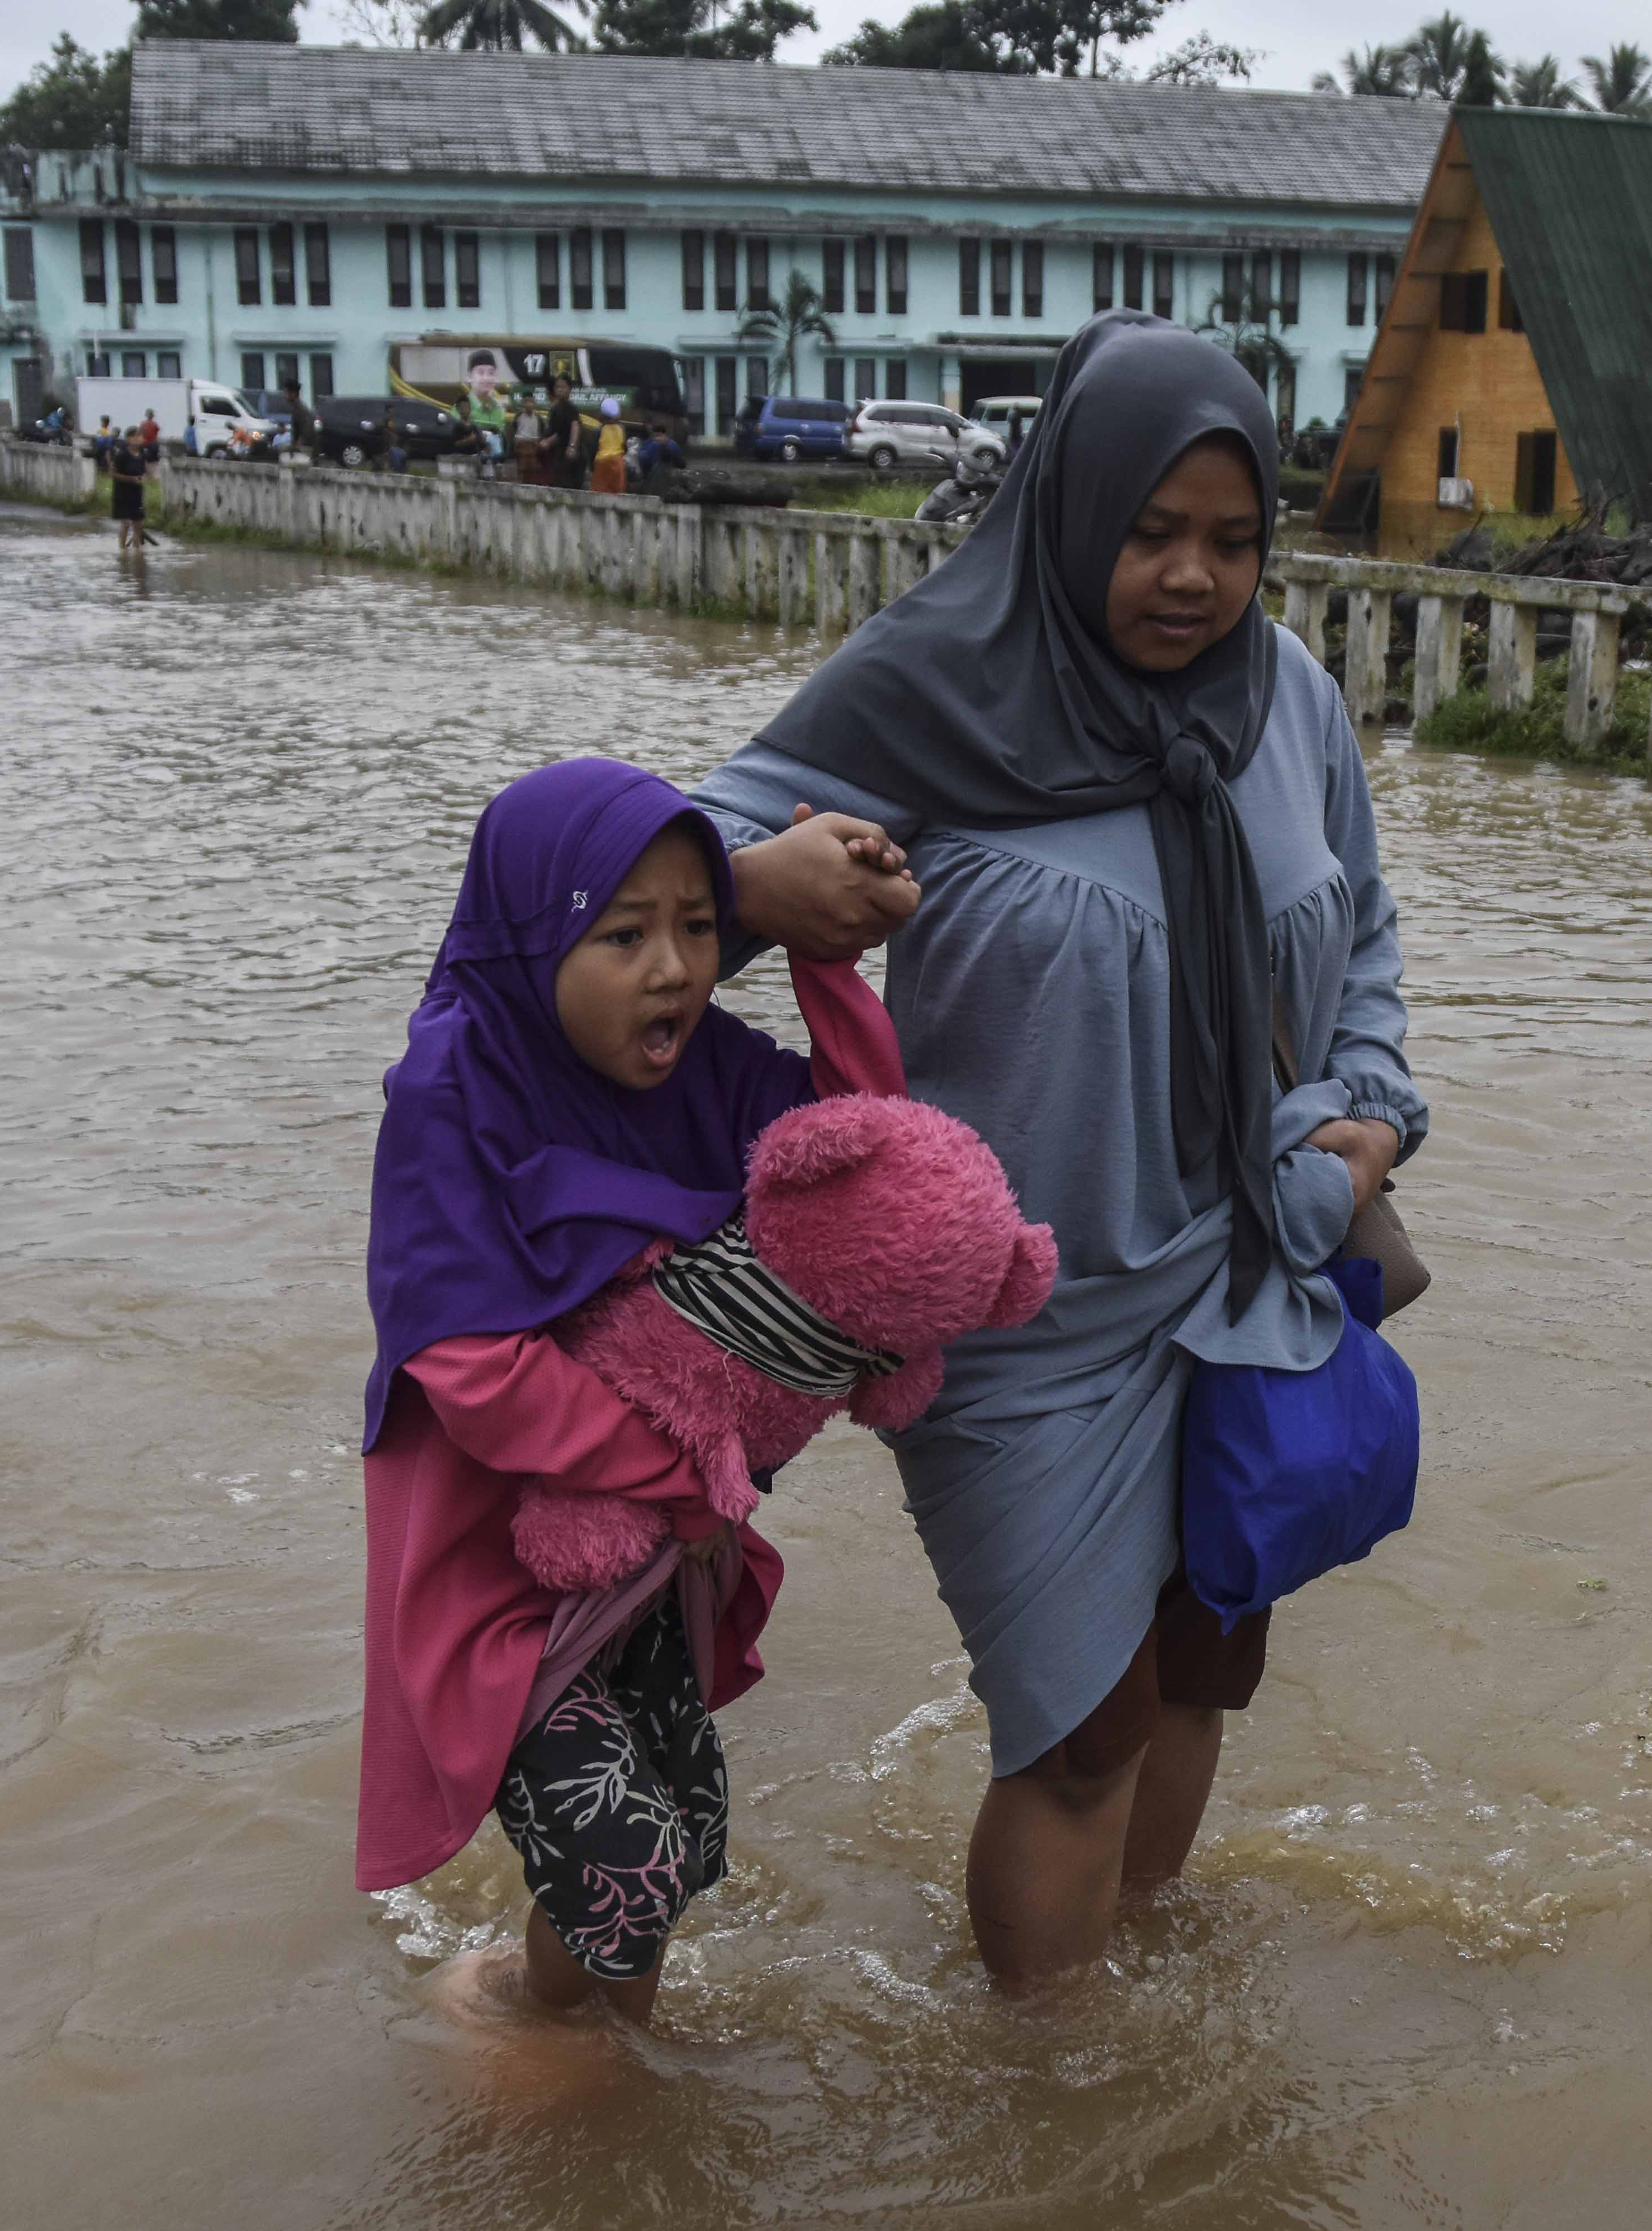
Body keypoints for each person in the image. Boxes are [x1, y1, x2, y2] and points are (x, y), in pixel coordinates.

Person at [695, 311, 1424, 1989]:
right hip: (1014, 1321)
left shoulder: (1283, 697)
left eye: (1233, 543)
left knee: (1194, 1669)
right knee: (1078, 1729)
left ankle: (1127, 2032)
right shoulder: (938, 687)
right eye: (1150, 533)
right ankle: (1037, 2096)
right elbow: (653, 883)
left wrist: (1373, 1108)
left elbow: (1365, 927)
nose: (1191, 579)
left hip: (1251, 1263)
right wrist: (757, 893)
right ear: (1067, 509)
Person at [356, 760, 909, 2034]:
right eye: (623, 934)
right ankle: (521, 2024)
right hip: (501, 1560)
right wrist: (685, 1471)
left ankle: (585, 2018)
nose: (673, 968)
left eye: (700, 927)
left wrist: (825, 959)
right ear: (531, 935)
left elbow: (865, 1156)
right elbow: (473, 1370)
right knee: (622, 1861)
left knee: (682, 1832)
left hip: (659, 1549)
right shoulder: (456, 1082)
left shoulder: (700, 1065)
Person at [108, 416, 157, 553]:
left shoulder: (142, 454)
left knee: (138, 524)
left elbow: (145, 469)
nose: (142, 439)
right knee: (126, 523)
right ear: (130, 439)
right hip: (123, 493)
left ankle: (137, 551)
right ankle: (123, 550)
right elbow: (113, 474)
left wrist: (148, 477)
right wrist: (132, 479)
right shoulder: (122, 455)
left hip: (137, 492)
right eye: (138, 436)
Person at [590, 397, 629, 496]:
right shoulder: (622, 429)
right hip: (618, 463)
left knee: (599, 493)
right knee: (618, 493)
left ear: (603, 415)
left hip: (602, 463)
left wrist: (591, 466)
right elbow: (625, 448)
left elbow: (593, 449)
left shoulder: (599, 430)